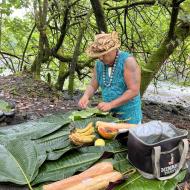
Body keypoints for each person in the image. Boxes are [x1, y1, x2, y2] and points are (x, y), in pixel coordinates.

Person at [78, 31, 142, 124]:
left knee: (126, 138)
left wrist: (111, 104)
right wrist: (86, 96)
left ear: (114, 50)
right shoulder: (99, 64)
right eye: (99, 55)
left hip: (129, 117)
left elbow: (133, 91)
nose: (100, 58)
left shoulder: (128, 61)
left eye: (104, 54)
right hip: (108, 115)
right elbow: (92, 85)